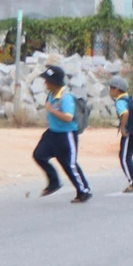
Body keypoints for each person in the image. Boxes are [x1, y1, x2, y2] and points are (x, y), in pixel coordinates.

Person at [32, 64, 93, 202]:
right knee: (39, 155)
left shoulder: (66, 98)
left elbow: (68, 117)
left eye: (47, 80)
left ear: (54, 83)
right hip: (52, 133)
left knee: (69, 165)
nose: (45, 83)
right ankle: (54, 182)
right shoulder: (51, 94)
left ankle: (83, 190)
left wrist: (52, 110)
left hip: (66, 135)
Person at [106, 75, 133, 193]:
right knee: (128, 155)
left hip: (130, 132)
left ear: (117, 90)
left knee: (124, 157)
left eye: (111, 88)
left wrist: (123, 128)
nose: (110, 91)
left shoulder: (120, 101)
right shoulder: (132, 99)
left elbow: (124, 114)